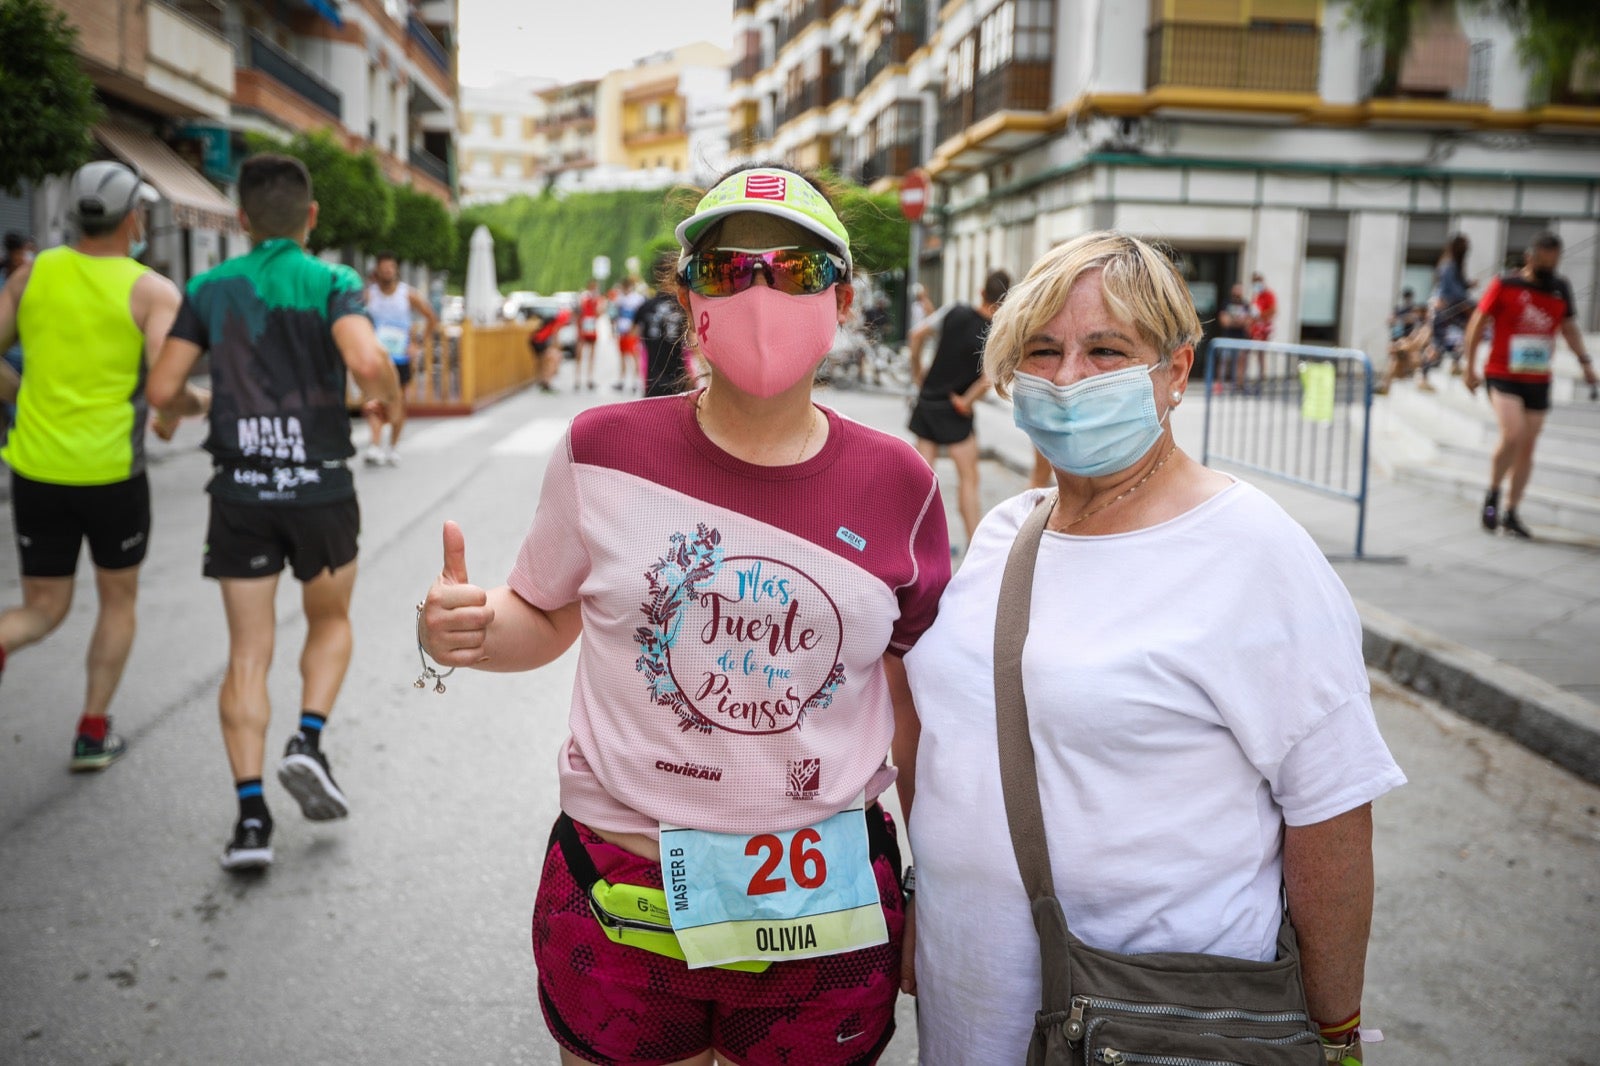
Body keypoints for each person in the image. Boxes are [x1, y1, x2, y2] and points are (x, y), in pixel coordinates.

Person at [418, 163, 950, 1065]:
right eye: (724, 269)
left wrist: (934, 883)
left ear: (844, 299)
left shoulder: (902, 484)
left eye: (795, 270)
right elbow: (541, 616)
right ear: (685, 295)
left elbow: (915, 705)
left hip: (824, 905)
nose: (759, 293)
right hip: (622, 884)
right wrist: (467, 632)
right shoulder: (604, 450)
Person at [899, 231, 1407, 1065]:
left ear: (1175, 370)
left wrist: (1336, 1031)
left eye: (1106, 350)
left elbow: (1333, 814)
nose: (1066, 378)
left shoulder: (1252, 553)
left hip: (1151, 1024)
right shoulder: (1004, 532)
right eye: (1042, 350)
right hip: (969, 1014)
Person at [147, 153, 403, 871]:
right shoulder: (331, 282)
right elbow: (363, 357)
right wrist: (390, 397)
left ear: (242, 219)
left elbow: (165, 386)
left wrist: (195, 404)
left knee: (247, 654)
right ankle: (308, 740)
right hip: (319, 490)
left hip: (241, 497)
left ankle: (251, 821)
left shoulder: (207, 288)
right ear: (311, 217)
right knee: (330, 621)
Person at [0, 161, 197, 770]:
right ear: (132, 216)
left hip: (35, 469)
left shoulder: (31, 275)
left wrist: (19, 394)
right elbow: (168, 389)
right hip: (113, 476)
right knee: (117, 602)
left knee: (43, 609)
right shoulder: (152, 291)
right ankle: (91, 732)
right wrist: (195, 405)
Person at [1463, 230, 1597, 539]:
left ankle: (1511, 511)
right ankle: (1493, 494)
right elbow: (1476, 324)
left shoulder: (1560, 289)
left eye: (1554, 263)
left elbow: (1569, 328)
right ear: (1530, 257)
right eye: (1543, 262)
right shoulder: (1505, 284)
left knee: (1527, 446)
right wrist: (1468, 368)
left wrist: (1585, 362)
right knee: (1513, 433)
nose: (1548, 268)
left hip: (1537, 378)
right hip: (1502, 373)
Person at [906, 270, 1011, 544]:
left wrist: (918, 375)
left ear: (981, 292)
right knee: (969, 480)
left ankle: (915, 542)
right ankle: (974, 545)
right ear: (1005, 300)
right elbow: (989, 379)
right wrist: (966, 401)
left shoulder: (955, 311)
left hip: (928, 401)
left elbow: (916, 336)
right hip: (955, 410)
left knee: (923, 481)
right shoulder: (994, 334)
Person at [362, 250, 436, 466]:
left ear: (395, 270)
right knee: (373, 401)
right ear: (377, 270)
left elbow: (431, 318)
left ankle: (392, 447)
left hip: (400, 358)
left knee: (398, 404)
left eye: (391, 268)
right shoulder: (369, 295)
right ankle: (375, 445)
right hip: (377, 356)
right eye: (384, 268)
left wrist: (418, 343)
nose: (388, 272)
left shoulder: (407, 294)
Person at [1420, 234, 1474, 391]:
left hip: (1450, 309)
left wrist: (1467, 285)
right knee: (1437, 344)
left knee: (1462, 335)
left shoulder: (1452, 265)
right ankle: (1423, 375)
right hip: (1445, 310)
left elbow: (1456, 288)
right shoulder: (1448, 265)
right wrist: (1467, 301)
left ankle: (1455, 363)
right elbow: (1452, 292)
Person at [635, 249, 689, 398]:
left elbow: (635, 338)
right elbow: (693, 344)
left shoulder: (645, 307)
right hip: (679, 382)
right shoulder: (684, 307)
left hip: (652, 381)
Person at [1374, 287, 1428, 396]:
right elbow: (1391, 320)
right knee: (1394, 361)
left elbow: (1414, 322)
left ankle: (1420, 381)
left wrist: (1401, 319)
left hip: (1408, 341)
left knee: (1415, 359)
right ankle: (1386, 386)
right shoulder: (1399, 309)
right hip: (1400, 340)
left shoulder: (1413, 310)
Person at [1212, 281, 1251, 392]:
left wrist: (1233, 321)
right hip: (1227, 338)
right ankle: (1219, 385)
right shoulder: (1226, 303)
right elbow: (1224, 321)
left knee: (1241, 361)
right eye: (1236, 289)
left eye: (1240, 290)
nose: (1237, 292)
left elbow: (1248, 322)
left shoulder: (1246, 304)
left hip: (1242, 338)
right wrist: (1238, 322)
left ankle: (1239, 385)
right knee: (1224, 361)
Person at [528, 300, 573, 394]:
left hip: (535, 341)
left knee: (545, 361)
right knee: (553, 358)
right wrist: (558, 350)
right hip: (539, 342)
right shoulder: (557, 322)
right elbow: (555, 338)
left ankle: (543, 381)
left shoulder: (552, 320)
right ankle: (546, 383)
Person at [611, 276, 646, 393]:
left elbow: (640, 318)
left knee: (634, 356)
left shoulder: (637, 299)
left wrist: (638, 331)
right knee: (622, 356)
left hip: (632, 331)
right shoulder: (620, 299)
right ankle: (622, 380)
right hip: (622, 331)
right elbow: (615, 315)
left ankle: (636, 381)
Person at [1243, 270, 1276, 389]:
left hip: (1263, 329)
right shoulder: (1255, 295)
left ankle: (1262, 380)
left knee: (1261, 355)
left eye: (1257, 282)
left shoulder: (1269, 295)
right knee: (1247, 353)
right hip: (1254, 329)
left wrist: (1260, 315)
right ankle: (1244, 380)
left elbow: (1272, 311)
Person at [575, 278, 602, 391]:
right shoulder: (585, 298)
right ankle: (579, 379)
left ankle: (587, 379)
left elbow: (598, 313)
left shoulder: (593, 299)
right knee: (581, 355)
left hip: (589, 328)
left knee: (589, 354)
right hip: (585, 328)